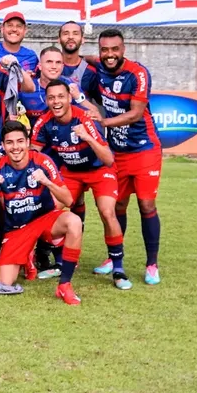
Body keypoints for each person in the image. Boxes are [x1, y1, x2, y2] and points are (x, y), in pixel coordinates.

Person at [31, 80, 128, 288]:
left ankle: (118, 268)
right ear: (46, 100)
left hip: (99, 169)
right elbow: (32, 153)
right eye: (51, 98)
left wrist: (87, 138)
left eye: (60, 97)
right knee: (51, 210)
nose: (56, 101)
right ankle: (60, 261)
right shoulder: (44, 122)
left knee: (107, 211)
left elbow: (108, 159)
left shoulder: (84, 118)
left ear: (68, 98)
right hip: (72, 171)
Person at [0, 121, 83, 304]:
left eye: (20, 141)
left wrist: (47, 182)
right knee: (4, 282)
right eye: (9, 143)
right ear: (3, 146)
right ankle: (27, 256)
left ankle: (64, 285)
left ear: (27, 142)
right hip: (17, 229)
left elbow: (68, 201)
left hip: (45, 219)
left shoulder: (42, 161)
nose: (15, 147)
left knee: (73, 222)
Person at [95, 29, 162, 286]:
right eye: (105, 50)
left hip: (144, 149)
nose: (109, 55)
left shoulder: (138, 73)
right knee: (116, 207)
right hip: (117, 153)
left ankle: (151, 263)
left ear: (123, 49)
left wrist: (103, 122)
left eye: (115, 49)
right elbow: (88, 59)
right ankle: (114, 258)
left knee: (146, 205)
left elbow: (135, 114)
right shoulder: (99, 68)